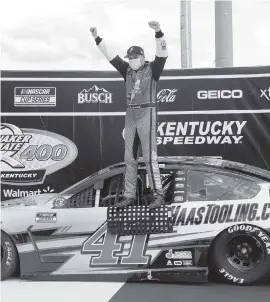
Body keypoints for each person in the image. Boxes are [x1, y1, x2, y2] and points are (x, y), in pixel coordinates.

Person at [90, 21, 168, 208]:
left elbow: (163, 53)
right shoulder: (126, 70)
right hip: (131, 115)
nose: (131, 60)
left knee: (149, 157)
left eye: (134, 57)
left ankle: (159, 195)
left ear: (142, 57)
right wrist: (96, 37)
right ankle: (129, 196)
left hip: (147, 113)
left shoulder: (153, 69)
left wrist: (158, 32)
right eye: (129, 57)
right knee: (129, 159)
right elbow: (111, 56)